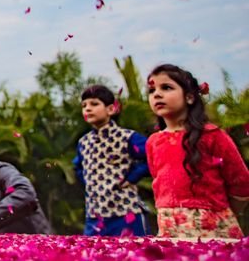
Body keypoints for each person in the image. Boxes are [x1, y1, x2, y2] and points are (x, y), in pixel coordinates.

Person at [146, 64, 249, 239]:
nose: (157, 94)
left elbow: (241, 181)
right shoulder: (153, 142)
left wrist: (220, 211)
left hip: (214, 230)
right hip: (170, 230)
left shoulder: (212, 135)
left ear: (190, 97)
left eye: (166, 87)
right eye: (151, 89)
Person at [73, 84, 149, 236]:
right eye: (84, 105)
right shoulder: (83, 142)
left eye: (94, 104)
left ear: (111, 109)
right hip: (95, 216)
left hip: (125, 212)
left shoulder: (127, 137)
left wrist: (132, 177)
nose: (87, 109)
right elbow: (78, 168)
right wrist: (93, 183)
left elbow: (153, 156)